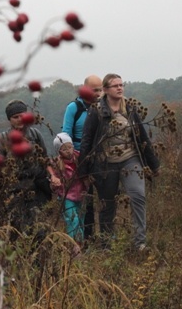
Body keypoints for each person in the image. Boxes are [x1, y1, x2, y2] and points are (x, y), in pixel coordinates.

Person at [78, 73, 160, 251]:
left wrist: (154, 164)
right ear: (106, 90)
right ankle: (106, 245)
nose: (120, 88)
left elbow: (142, 136)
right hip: (105, 163)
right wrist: (83, 171)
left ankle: (140, 242)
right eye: (115, 86)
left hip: (130, 159)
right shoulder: (96, 111)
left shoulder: (129, 108)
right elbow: (87, 140)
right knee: (107, 204)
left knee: (138, 195)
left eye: (121, 85)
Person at [0, 99, 52, 237]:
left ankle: (40, 257)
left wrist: (53, 177)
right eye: (15, 117)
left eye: (22, 115)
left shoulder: (35, 135)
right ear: (9, 119)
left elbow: (45, 159)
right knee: (16, 229)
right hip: (14, 189)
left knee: (40, 229)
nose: (19, 119)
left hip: (37, 188)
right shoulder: (4, 139)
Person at [61, 74, 102, 242]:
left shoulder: (103, 107)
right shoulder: (74, 108)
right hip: (80, 160)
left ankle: (105, 236)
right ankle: (85, 237)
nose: (97, 93)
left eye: (100, 90)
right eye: (94, 90)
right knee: (85, 199)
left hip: (100, 158)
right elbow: (66, 133)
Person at [49, 132, 88, 254]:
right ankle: (74, 247)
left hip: (81, 196)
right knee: (73, 220)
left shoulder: (80, 157)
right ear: (59, 151)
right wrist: (56, 184)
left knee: (81, 221)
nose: (68, 151)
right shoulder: (57, 164)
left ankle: (80, 245)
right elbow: (53, 182)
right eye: (64, 149)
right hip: (67, 197)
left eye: (70, 147)